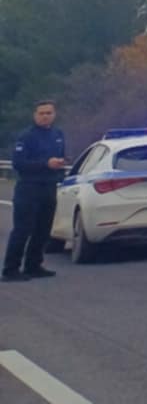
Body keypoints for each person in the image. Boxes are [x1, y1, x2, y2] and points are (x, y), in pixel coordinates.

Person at [4, 100, 68, 282]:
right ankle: (10, 269)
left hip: (48, 187)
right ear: (35, 115)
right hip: (28, 188)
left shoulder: (58, 134)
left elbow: (60, 157)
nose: (45, 116)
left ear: (54, 115)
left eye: (49, 113)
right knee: (23, 229)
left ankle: (33, 265)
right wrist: (45, 164)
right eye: (41, 113)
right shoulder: (27, 136)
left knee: (43, 229)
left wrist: (59, 167)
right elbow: (19, 164)